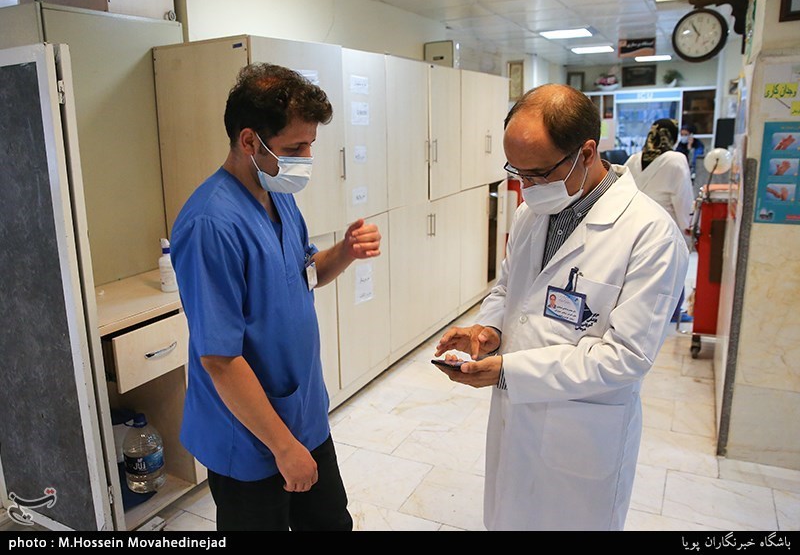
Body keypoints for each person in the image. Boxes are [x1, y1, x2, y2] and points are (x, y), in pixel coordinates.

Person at [433, 84, 688, 531]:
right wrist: (488, 330)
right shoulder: (531, 213)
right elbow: (509, 288)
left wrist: (509, 371)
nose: (524, 186)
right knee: (508, 517)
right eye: (516, 171)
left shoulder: (651, 235)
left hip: (581, 429)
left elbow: (627, 357)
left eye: (536, 173)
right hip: (517, 416)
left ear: (586, 153)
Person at [170, 63, 381, 531]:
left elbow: (303, 274)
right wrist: (283, 448)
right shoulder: (210, 225)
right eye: (294, 148)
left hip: (302, 413)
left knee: (330, 524)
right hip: (249, 436)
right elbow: (220, 360)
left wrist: (345, 251)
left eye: (310, 145)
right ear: (249, 141)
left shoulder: (278, 194)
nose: (307, 158)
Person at [624, 118, 694, 323]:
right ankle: (672, 313)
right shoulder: (676, 159)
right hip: (665, 227)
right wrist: (688, 225)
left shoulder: (634, 159)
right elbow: (683, 198)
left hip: (632, 225)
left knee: (638, 274)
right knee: (671, 273)